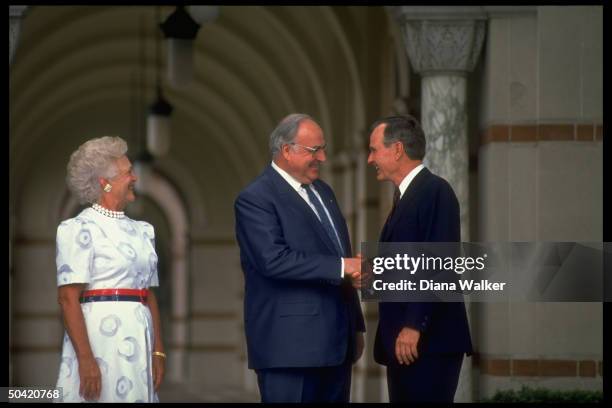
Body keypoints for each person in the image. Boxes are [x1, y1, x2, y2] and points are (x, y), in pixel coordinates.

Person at [234, 113, 365, 403]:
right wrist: (344, 266)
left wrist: (355, 325)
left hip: (337, 346)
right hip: (289, 349)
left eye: (323, 148)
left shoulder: (325, 192)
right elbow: (273, 259)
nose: (323, 156)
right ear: (286, 151)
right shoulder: (255, 198)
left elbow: (339, 256)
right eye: (314, 150)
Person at [367, 115, 472, 402]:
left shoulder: (435, 191)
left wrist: (414, 325)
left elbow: (440, 264)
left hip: (427, 342)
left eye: (374, 149)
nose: (369, 158)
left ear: (397, 149)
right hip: (404, 344)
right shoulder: (406, 196)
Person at [54, 136, 164, 402]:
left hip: (140, 334)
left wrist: (158, 351)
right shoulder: (78, 229)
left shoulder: (143, 231)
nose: (135, 177)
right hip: (99, 340)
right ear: (105, 183)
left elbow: (148, 295)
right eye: (128, 172)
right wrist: (86, 360)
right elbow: (68, 298)